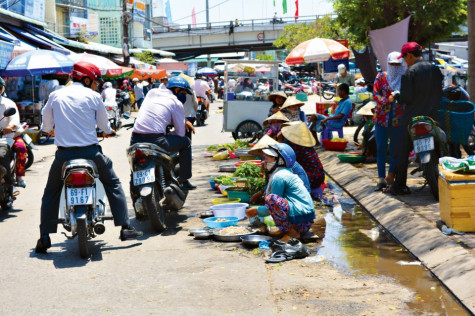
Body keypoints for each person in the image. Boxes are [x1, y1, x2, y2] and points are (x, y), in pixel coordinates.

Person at [35, 62, 143, 254]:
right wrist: (109, 131)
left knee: (51, 192)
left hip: (64, 156)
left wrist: (47, 130)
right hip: (91, 154)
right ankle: (125, 227)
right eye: (94, 81)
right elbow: (104, 125)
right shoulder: (93, 97)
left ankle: (45, 236)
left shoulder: (55, 95)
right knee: (114, 184)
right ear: (86, 79)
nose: (96, 85)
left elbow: (46, 122)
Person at [388, 42, 444, 196]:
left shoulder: (409, 73)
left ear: (410, 55)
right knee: (446, 146)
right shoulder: (435, 69)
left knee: (402, 150)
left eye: (405, 58)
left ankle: (399, 185)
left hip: (412, 118)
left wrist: (398, 96)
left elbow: (406, 98)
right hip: (434, 117)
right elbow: (440, 92)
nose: (405, 61)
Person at [130, 76, 196, 190]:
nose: (184, 95)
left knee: (134, 164)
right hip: (157, 140)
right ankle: (184, 179)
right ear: (177, 90)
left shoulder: (152, 92)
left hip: (135, 139)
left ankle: (134, 185)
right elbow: (180, 133)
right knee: (186, 142)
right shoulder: (176, 102)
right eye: (184, 92)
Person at [245, 143, 315, 241]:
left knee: (271, 199)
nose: (266, 159)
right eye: (267, 156)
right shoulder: (284, 172)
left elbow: (272, 206)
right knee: (271, 198)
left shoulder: (279, 176)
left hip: (301, 221)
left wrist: (256, 211)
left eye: (270, 157)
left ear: (280, 161)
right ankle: (286, 230)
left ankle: (292, 233)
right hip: (305, 221)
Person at [372, 52, 406, 191]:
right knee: (380, 148)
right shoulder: (381, 77)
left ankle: (391, 176)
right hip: (381, 119)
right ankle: (381, 179)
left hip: (398, 120)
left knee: (395, 149)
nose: (394, 67)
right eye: (392, 64)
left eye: (397, 65)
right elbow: (375, 94)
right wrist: (387, 100)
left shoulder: (404, 79)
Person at [281, 121, 325, 200]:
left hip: (312, 178)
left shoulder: (296, 148)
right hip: (320, 177)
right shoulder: (305, 145)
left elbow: (284, 162)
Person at [0, 77, 21, 192]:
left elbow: (14, 121)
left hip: (4, 138)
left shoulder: (8, 104)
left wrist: (9, 127)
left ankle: (9, 180)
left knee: (2, 155)